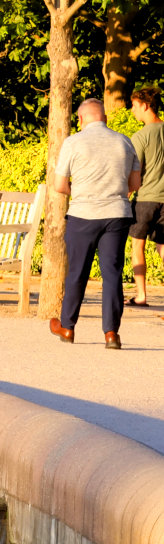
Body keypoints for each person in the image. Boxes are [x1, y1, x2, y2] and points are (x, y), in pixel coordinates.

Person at [49, 97, 141, 349]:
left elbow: (59, 185)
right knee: (112, 274)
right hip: (117, 215)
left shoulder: (73, 142)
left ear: (80, 119)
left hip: (83, 214)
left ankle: (67, 327)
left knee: (77, 272)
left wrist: (81, 194)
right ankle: (111, 333)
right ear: (105, 118)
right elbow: (135, 184)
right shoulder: (125, 141)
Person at [128, 87, 164, 307]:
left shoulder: (140, 137)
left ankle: (141, 295)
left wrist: (125, 194)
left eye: (133, 105)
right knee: (163, 246)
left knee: (137, 245)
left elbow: (135, 173)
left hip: (146, 199)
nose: (132, 110)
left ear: (145, 105)